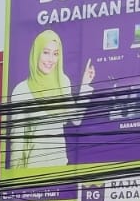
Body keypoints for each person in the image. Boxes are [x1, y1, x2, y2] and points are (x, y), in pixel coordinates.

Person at [8, 30, 95, 170]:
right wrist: (15, 176)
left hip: (60, 165)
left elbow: (76, 119)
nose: (51, 60)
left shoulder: (62, 81)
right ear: (36, 53)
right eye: (46, 52)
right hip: (32, 169)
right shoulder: (21, 90)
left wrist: (85, 85)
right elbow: (17, 141)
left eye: (55, 54)